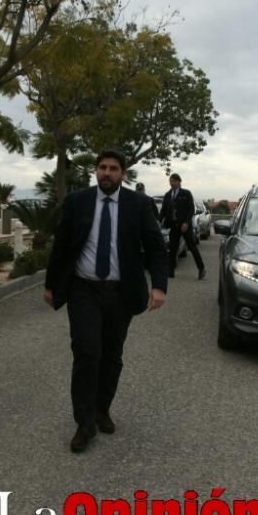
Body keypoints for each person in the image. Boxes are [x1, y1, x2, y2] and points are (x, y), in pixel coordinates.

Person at [44, 150, 168, 453]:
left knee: (111, 355)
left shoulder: (138, 204)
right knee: (86, 352)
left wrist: (159, 286)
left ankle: (102, 410)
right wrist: (51, 285)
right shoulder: (78, 201)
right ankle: (84, 423)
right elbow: (61, 244)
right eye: (102, 168)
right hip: (83, 290)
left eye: (113, 168)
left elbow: (154, 246)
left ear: (123, 173)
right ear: (95, 171)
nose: (107, 173)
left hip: (121, 293)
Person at [158, 173, 206, 280]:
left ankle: (201, 268)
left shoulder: (186, 193)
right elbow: (163, 211)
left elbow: (191, 210)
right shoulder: (167, 195)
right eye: (171, 181)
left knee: (192, 247)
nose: (172, 183)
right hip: (173, 225)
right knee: (172, 248)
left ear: (179, 182)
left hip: (184, 225)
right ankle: (170, 271)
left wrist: (186, 223)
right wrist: (158, 220)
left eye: (174, 181)